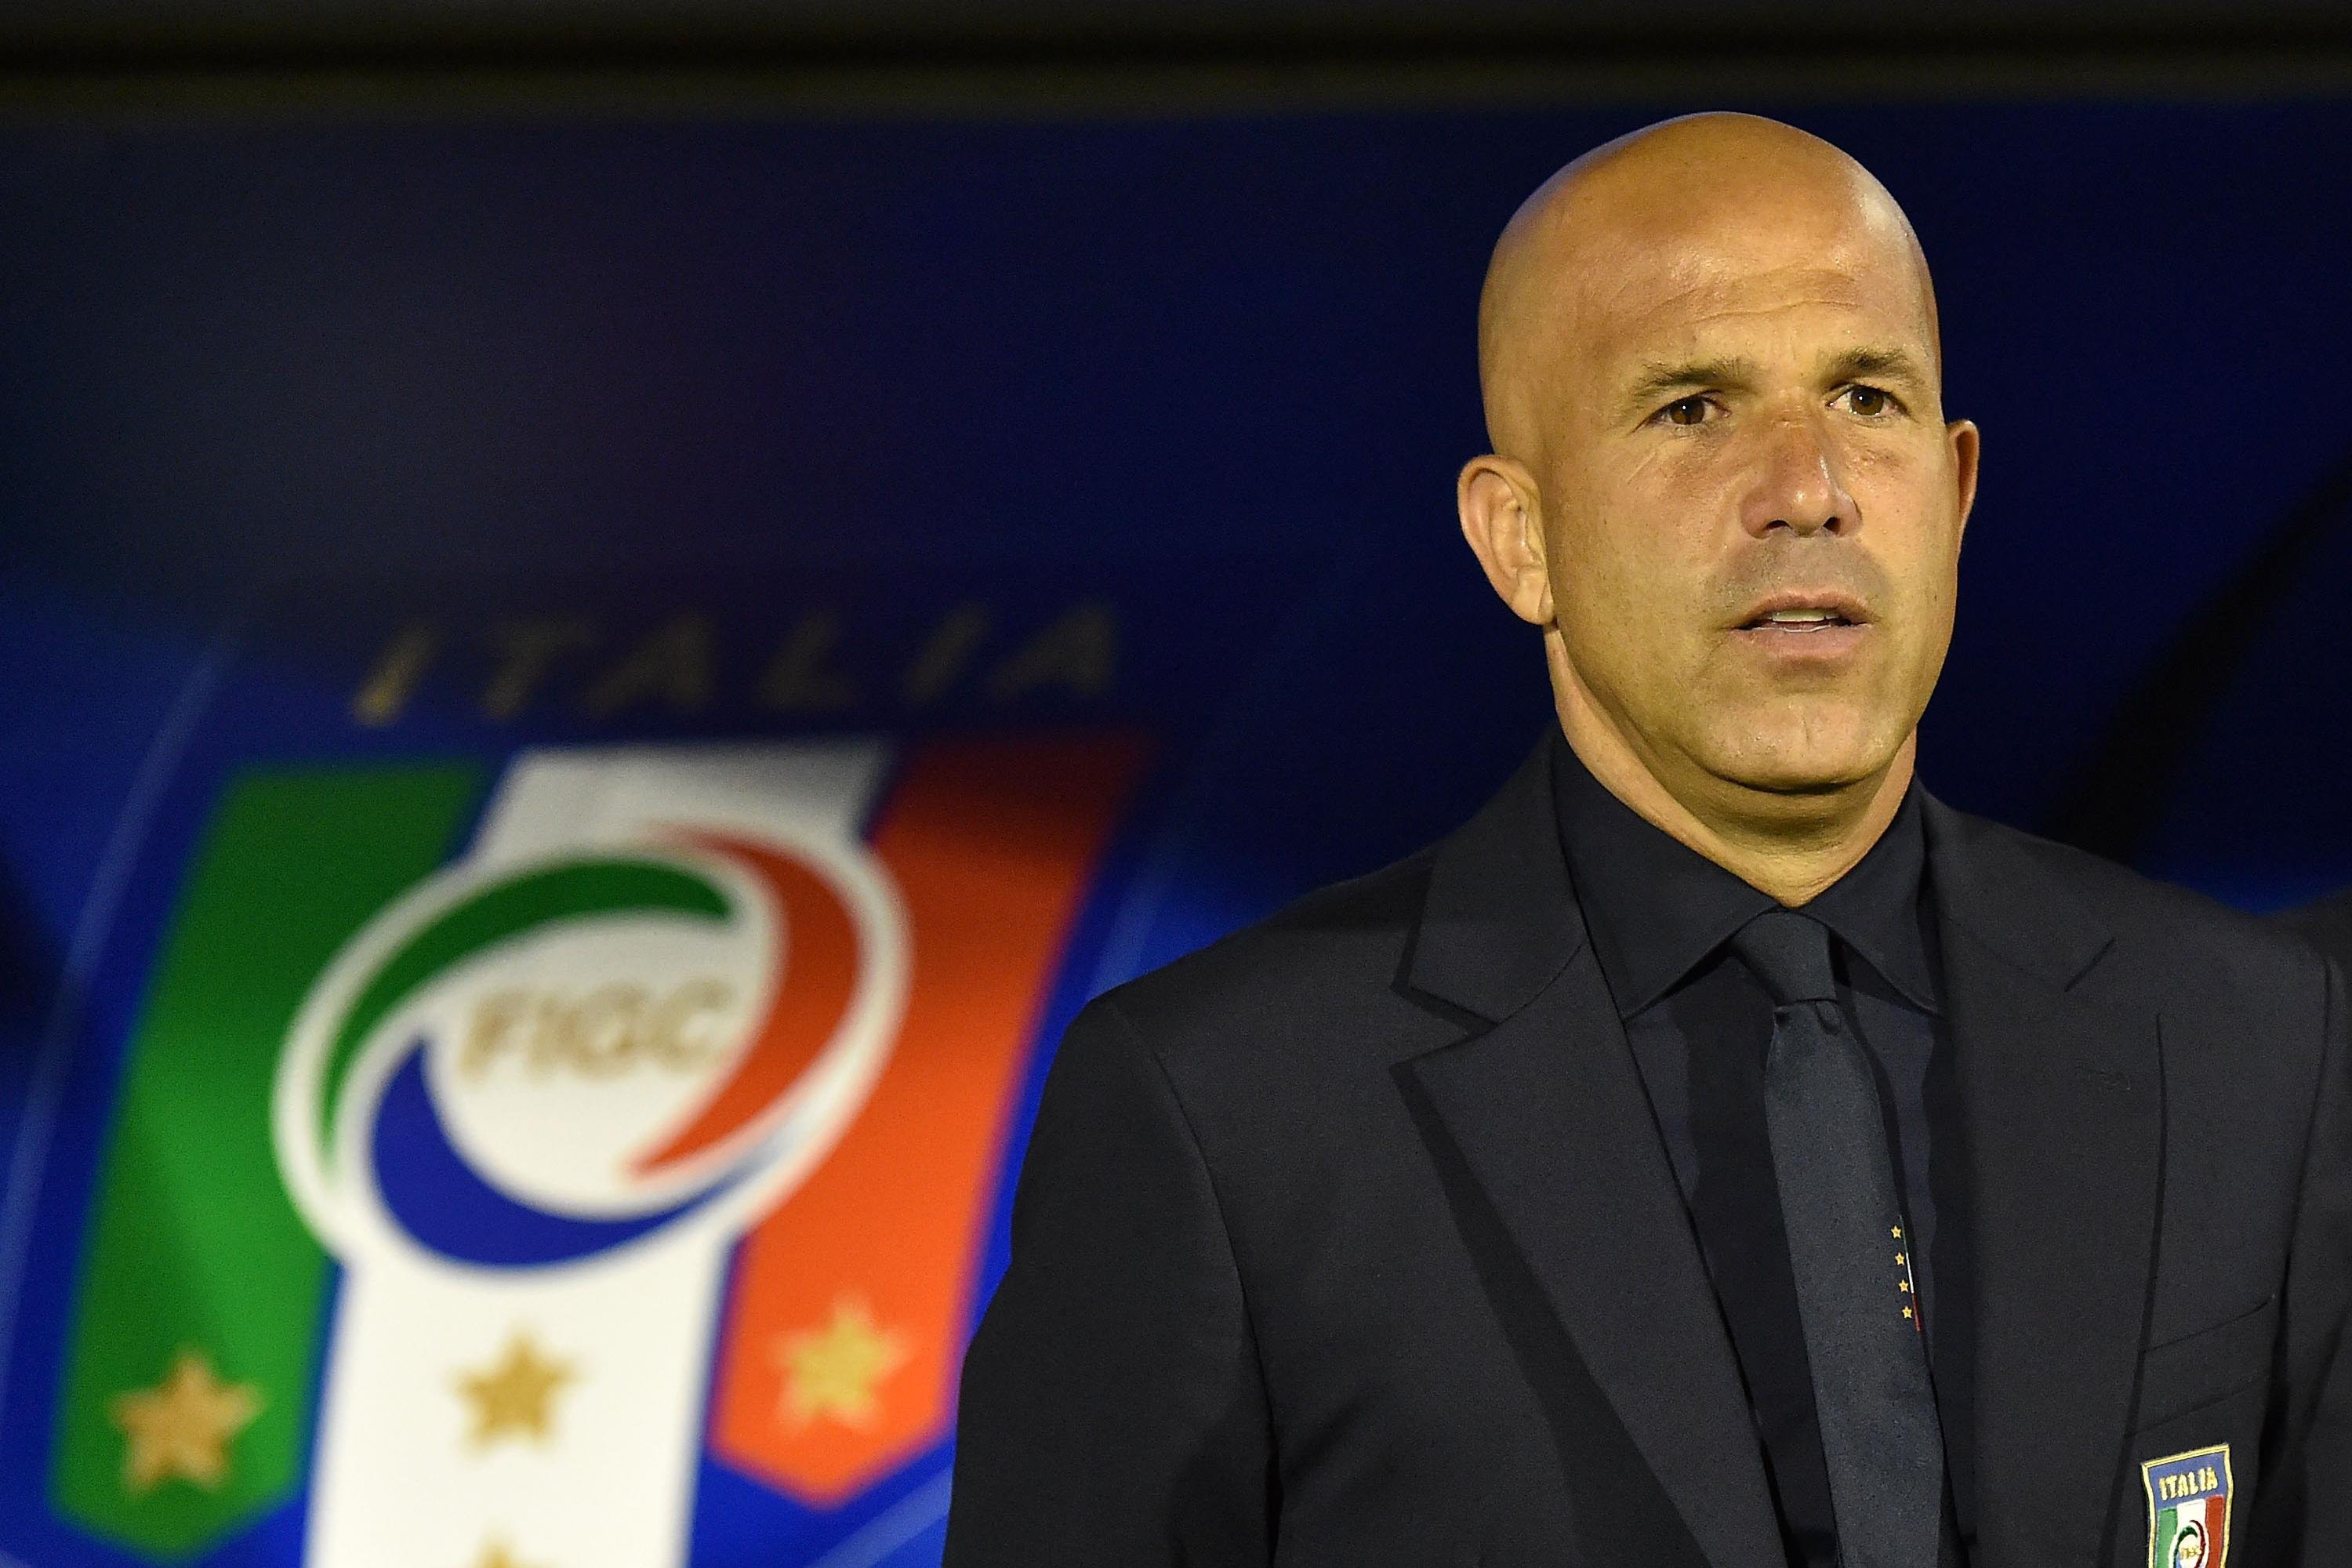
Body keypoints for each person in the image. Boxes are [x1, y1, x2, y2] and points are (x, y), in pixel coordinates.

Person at [943, 114, 2352, 1567]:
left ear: (1959, 489)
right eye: (1693, 408)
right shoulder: (1221, 1114)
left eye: (1868, 397)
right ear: (1519, 540)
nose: (1808, 487)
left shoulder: (2258, 1041)